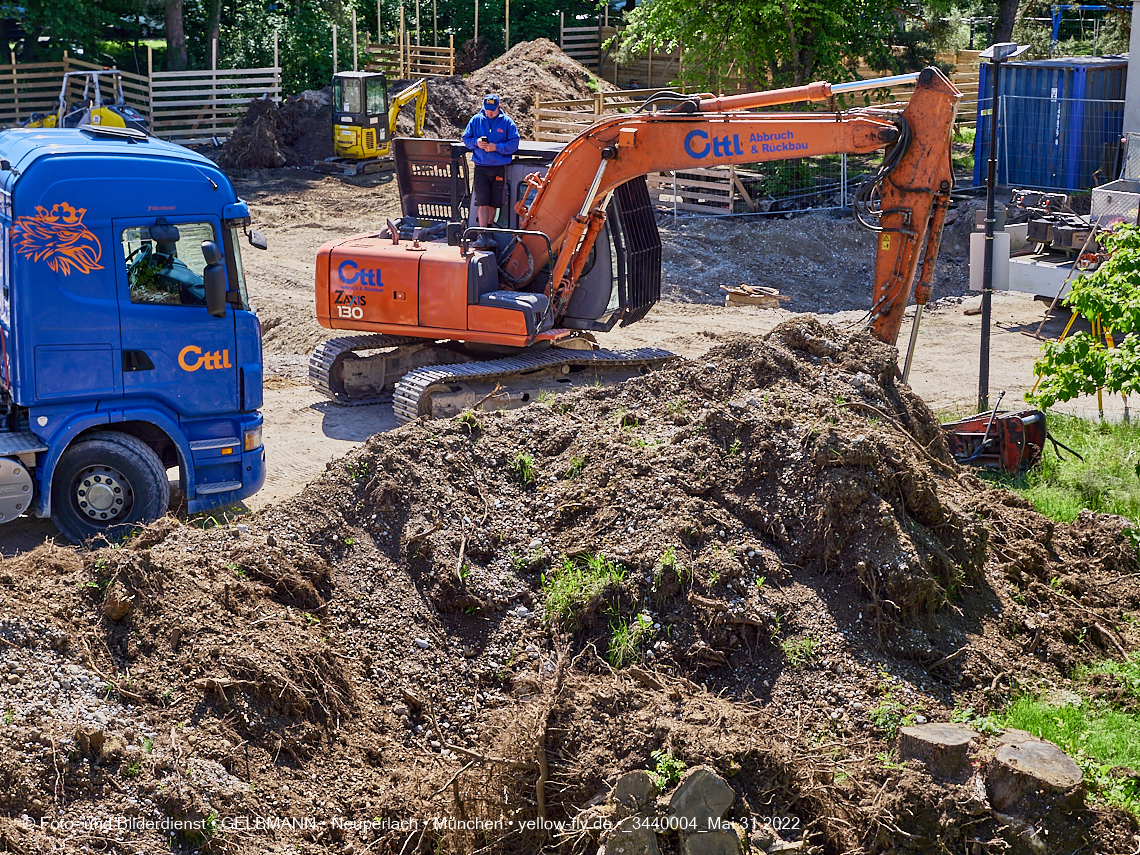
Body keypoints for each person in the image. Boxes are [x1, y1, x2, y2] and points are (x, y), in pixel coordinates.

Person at [461, 93, 520, 248]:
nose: (489, 113)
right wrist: (476, 143)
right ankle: (482, 234)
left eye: (492, 110)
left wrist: (497, 147)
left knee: (494, 202)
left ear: (499, 107)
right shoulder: (475, 120)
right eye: (487, 110)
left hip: (499, 167)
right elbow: (466, 139)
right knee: (482, 202)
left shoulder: (507, 122)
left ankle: (489, 232)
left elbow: (514, 144)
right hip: (481, 167)